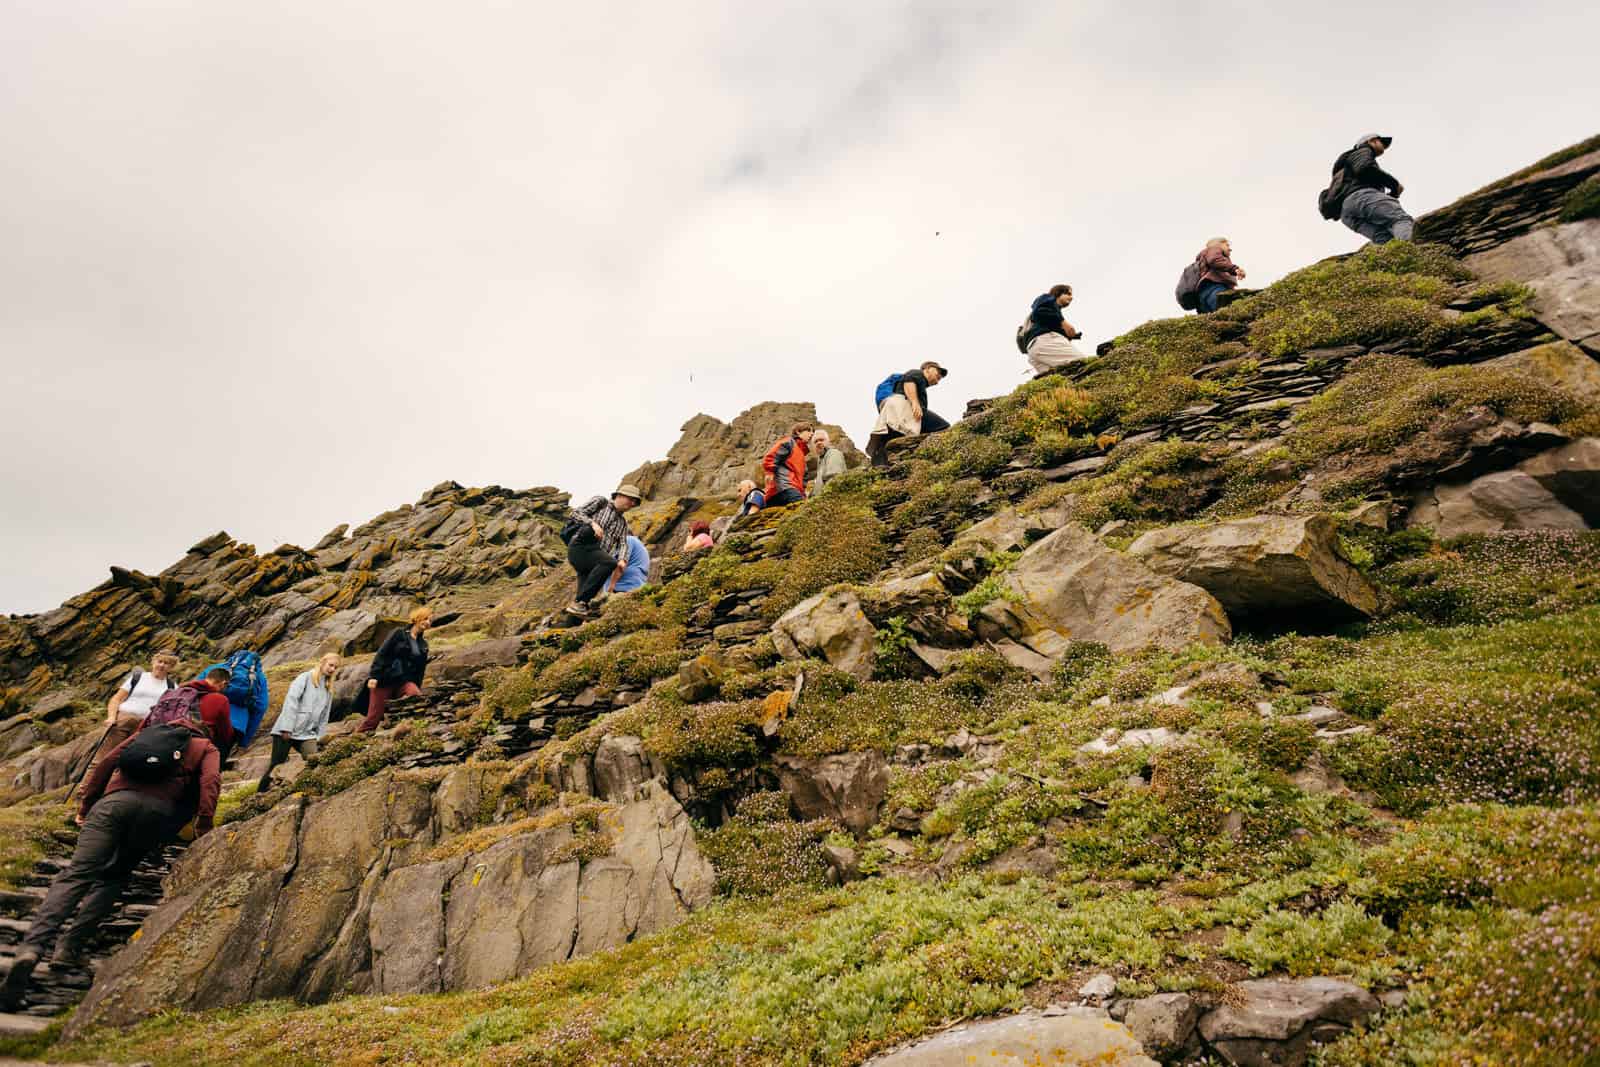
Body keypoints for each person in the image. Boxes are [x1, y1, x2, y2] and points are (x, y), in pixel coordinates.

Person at [0, 689, 221, 995]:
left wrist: (86, 804)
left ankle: (32, 948)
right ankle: (68, 948)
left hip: (111, 805)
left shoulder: (152, 731)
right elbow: (210, 783)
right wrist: (202, 824)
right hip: (155, 814)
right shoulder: (206, 747)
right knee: (113, 878)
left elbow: (107, 762)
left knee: (75, 875)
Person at [258, 653, 339, 793]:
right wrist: (287, 727)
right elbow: (291, 702)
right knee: (277, 764)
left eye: (335, 667)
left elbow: (324, 717)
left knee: (315, 761)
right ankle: (260, 793)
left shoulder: (328, 688)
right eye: (330, 665)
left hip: (306, 734)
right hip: (286, 730)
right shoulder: (305, 678)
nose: (332, 669)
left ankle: (310, 791)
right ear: (322, 662)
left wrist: (319, 737)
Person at [563, 485, 642, 617]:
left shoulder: (623, 523)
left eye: (635, 502)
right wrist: (593, 524)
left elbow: (623, 543)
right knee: (609, 562)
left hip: (594, 558)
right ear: (619, 496)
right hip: (580, 547)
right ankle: (581, 602)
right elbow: (575, 513)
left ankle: (573, 619)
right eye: (631, 499)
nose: (633, 504)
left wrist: (623, 559)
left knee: (583, 598)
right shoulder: (601, 502)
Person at [358, 607, 432, 732]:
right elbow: (382, 653)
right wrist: (374, 676)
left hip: (404, 682)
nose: (428, 622)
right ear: (417, 618)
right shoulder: (399, 633)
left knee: (416, 697)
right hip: (385, 680)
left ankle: (406, 732)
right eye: (425, 618)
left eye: (430, 620)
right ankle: (356, 740)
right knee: (373, 719)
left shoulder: (423, 645)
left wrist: (417, 685)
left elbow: (420, 669)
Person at [1332, 134, 1413, 245]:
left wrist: (1392, 193)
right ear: (1372, 141)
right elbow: (1365, 169)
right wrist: (1394, 184)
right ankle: (1412, 254)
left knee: (1383, 236)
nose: (1384, 147)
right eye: (1382, 142)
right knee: (1400, 219)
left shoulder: (1344, 168)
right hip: (1362, 197)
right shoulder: (1363, 151)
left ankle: (1398, 259)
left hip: (1346, 213)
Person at [98, 650, 180, 757]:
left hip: (145, 727)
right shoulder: (138, 677)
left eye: (166, 663)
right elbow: (116, 699)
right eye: (160, 661)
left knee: (127, 760)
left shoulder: (172, 687)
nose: (162, 665)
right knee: (103, 756)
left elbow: (170, 712)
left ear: (171, 667)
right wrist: (111, 717)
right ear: (153, 662)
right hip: (123, 720)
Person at [865, 363, 950, 466]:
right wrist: (915, 402)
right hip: (902, 407)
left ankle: (880, 465)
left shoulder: (919, 384)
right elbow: (909, 380)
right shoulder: (918, 374)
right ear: (927, 369)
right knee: (944, 427)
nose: (939, 378)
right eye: (938, 372)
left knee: (888, 440)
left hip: (894, 410)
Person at [1022, 284, 1090, 375]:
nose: (1071, 297)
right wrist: (1063, 323)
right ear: (1058, 293)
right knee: (1082, 363)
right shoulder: (1048, 299)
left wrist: (1070, 335)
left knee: (1058, 378)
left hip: (1034, 348)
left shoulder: (1051, 312)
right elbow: (1038, 312)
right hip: (1044, 341)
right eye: (1068, 294)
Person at [761, 424, 813, 507]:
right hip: (783, 487)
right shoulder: (789, 442)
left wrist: (802, 495)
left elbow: (803, 480)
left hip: (791, 490)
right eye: (809, 431)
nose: (812, 434)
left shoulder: (802, 456)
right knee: (803, 509)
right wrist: (769, 472)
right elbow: (772, 456)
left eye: (813, 432)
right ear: (798, 432)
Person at [1195, 238, 1247, 313]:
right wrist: (1235, 269)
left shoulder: (1205, 258)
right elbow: (1215, 260)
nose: (1230, 249)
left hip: (1204, 294)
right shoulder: (1213, 250)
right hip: (1215, 288)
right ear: (1218, 245)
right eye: (1227, 245)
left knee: (1215, 318)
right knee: (1227, 313)